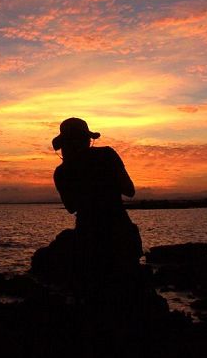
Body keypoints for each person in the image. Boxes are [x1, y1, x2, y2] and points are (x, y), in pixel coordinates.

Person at [52, 117, 141, 299]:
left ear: (64, 145)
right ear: (86, 140)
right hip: (120, 235)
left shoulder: (61, 172)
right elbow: (130, 190)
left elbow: (71, 207)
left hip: (88, 240)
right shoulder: (107, 155)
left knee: (91, 299)